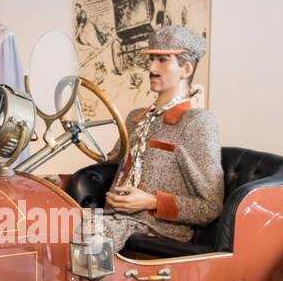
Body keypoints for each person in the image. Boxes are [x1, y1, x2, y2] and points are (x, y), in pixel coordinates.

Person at [94, 25, 222, 249]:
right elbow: (111, 165)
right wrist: (60, 181)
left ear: (186, 69)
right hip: (112, 219)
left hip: (157, 231)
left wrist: (150, 201)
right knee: (51, 222)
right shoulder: (136, 118)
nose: (152, 68)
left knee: (81, 237)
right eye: (152, 59)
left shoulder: (197, 122)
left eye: (162, 60)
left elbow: (210, 207)